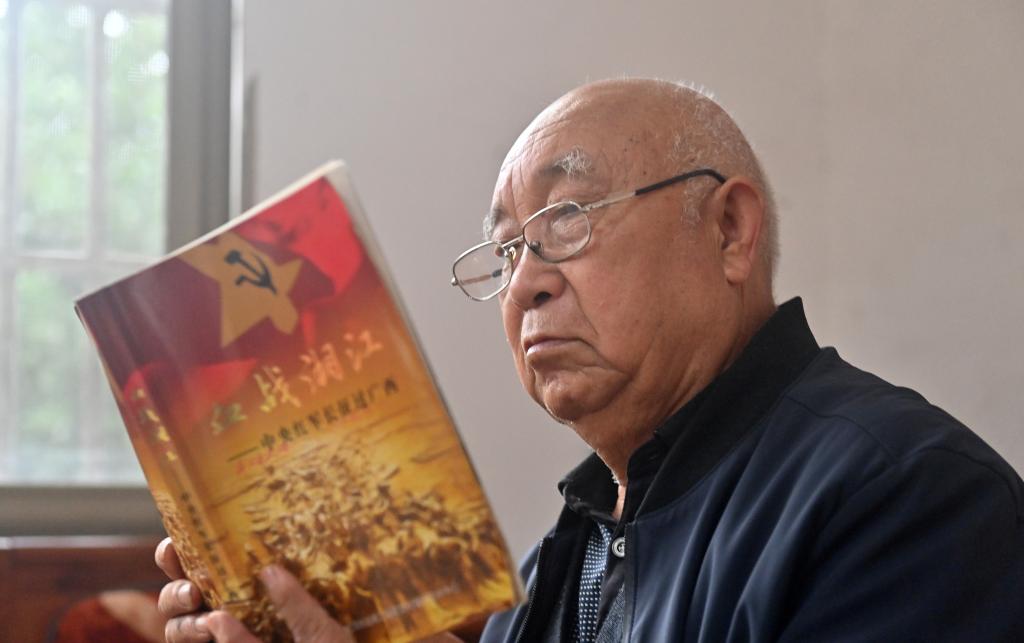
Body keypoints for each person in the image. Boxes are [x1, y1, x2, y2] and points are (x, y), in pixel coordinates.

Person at [157, 78, 1024, 642]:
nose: (525, 282)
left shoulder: (906, 494)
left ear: (729, 230)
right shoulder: (572, 546)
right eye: (506, 251)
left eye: (567, 218)